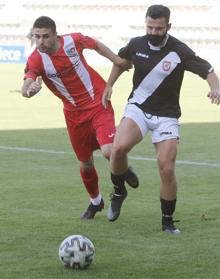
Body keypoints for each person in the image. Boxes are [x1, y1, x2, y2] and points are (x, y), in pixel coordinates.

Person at [102, 4, 220, 234]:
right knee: (118, 149)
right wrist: (109, 85)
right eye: (150, 27)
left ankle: (167, 221)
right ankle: (118, 192)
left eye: (158, 28)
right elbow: (122, 62)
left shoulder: (179, 50)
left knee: (166, 168)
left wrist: (216, 87)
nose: (153, 32)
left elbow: (207, 70)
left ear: (168, 26)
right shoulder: (136, 43)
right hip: (139, 107)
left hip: (166, 115)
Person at [21, 16, 139, 220]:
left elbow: (96, 45)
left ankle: (122, 177)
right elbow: (26, 86)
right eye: (36, 36)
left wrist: (117, 60)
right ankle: (96, 202)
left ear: (55, 35)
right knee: (85, 163)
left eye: (45, 36)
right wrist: (29, 90)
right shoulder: (36, 59)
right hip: (74, 115)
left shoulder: (72, 41)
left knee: (108, 150)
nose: (40, 41)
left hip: (98, 103)